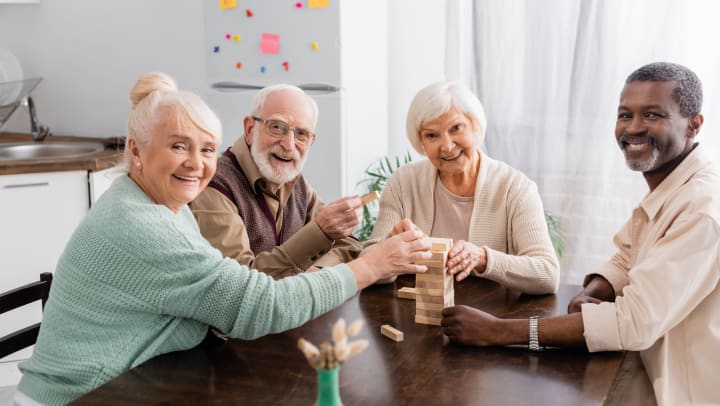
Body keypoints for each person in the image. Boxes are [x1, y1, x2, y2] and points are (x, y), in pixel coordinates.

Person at [14, 72, 431, 406]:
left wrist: (355, 259)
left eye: (207, 149)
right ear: (137, 151)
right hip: (86, 396)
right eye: (179, 146)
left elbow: (238, 294)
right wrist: (371, 266)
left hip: (144, 380)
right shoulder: (144, 225)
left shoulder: (162, 205)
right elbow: (260, 304)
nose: (196, 164)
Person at [441, 62, 720, 405]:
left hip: (679, 388)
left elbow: (632, 322)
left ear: (694, 125)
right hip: (645, 362)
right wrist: (593, 291)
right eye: (624, 115)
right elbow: (628, 255)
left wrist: (498, 331)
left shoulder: (702, 208)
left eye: (652, 115)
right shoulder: (672, 183)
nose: (632, 128)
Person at [365, 81, 559, 294]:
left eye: (456, 128)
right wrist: (390, 253)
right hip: (418, 317)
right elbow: (366, 266)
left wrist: (483, 259)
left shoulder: (515, 188)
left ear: (475, 126)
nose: (447, 146)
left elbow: (548, 274)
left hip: (492, 319)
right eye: (432, 135)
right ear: (421, 142)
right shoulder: (403, 183)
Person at [190, 84, 361, 278]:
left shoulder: (296, 183)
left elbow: (349, 244)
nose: (289, 145)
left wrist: (318, 271)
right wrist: (319, 232)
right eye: (277, 127)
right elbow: (239, 282)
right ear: (249, 129)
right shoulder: (215, 184)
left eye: (301, 134)